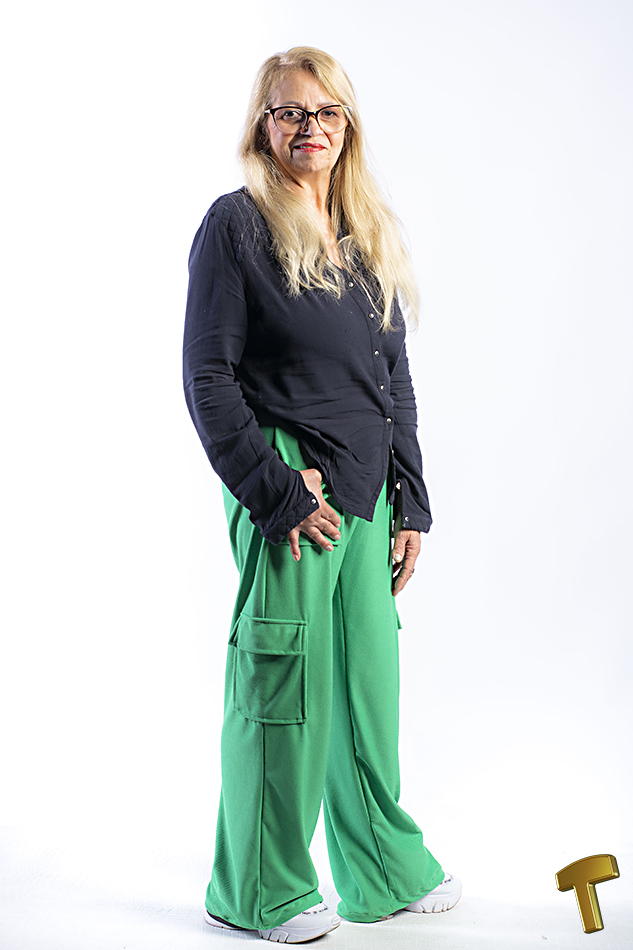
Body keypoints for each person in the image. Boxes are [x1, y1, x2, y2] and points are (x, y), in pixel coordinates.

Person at [183, 46, 461, 944]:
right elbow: (207, 377)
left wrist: (410, 503)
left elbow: (392, 380)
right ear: (262, 127)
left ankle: (381, 869)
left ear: (348, 125)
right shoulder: (236, 225)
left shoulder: (363, 230)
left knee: (365, 691)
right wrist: (273, 489)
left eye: (326, 111)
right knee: (286, 690)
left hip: (365, 493)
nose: (310, 127)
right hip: (289, 489)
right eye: (289, 112)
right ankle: (257, 892)